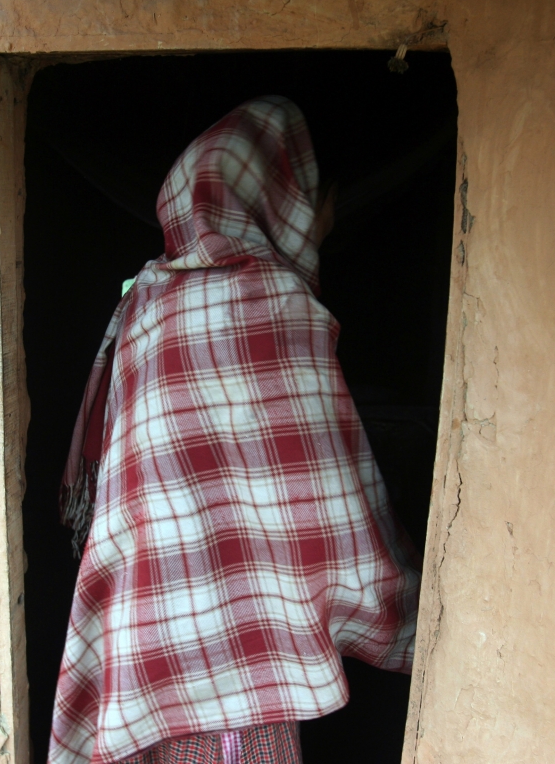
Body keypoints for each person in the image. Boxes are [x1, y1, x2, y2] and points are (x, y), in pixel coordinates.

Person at [49, 96, 419, 764]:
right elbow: (331, 503)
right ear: (280, 198)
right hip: (246, 681)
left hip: (142, 648)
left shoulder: (141, 311)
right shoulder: (274, 306)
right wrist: (414, 615)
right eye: (311, 196)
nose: (322, 215)